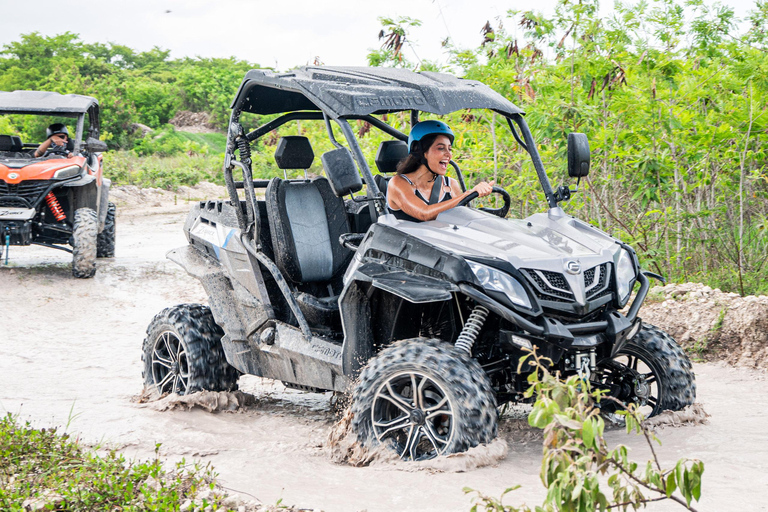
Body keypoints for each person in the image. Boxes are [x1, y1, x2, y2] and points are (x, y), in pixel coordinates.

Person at [386, 120, 494, 222]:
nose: (449, 154)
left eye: (450, 149)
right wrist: (468, 194)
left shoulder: (451, 185)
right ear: (420, 151)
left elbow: (460, 221)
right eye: (441, 148)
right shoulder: (398, 183)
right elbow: (424, 213)